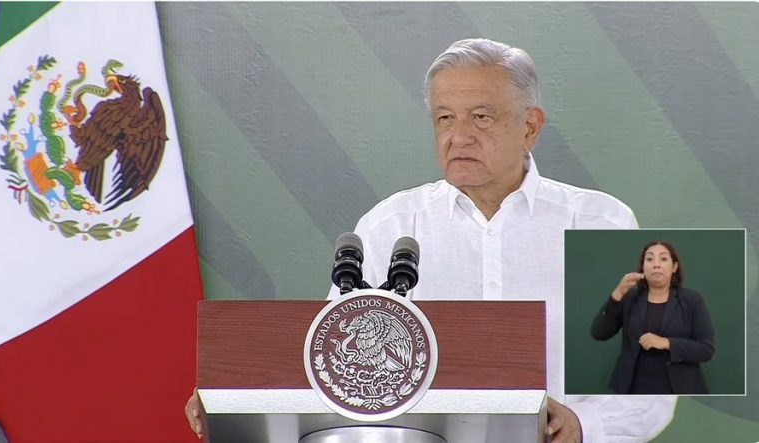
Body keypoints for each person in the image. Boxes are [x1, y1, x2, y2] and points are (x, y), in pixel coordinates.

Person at [186, 38, 677, 442]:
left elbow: (653, 379)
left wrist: (581, 425)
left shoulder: (601, 223)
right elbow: (332, 368)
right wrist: (233, 400)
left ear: (530, 126)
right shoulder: (388, 225)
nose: (458, 136)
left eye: (480, 116)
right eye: (444, 118)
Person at [591, 240, 715, 394]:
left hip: (679, 390)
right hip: (633, 389)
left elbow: (706, 350)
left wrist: (666, 343)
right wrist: (617, 294)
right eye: (649, 259)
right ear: (643, 266)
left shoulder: (692, 300)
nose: (656, 264)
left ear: (674, 267)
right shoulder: (629, 298)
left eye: (663, 259)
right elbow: (599, 333)